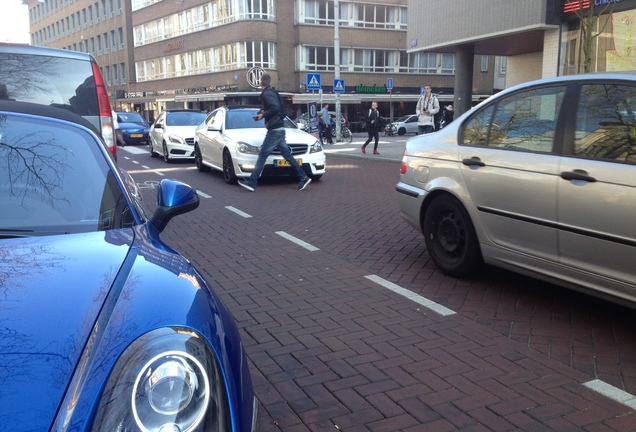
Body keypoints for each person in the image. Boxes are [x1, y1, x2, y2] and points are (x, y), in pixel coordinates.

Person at [238, 74, 311, 192]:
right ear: (270, 82)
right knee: (287, 155)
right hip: (279, 128)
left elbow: (275, 108)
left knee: (262, 154)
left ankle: (252, 182)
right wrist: (262, 112)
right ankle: (303, 177)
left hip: (274, 129)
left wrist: (263, 114)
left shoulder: (267, 93)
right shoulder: (272, 92)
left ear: (261, 83)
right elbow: (274, 107)